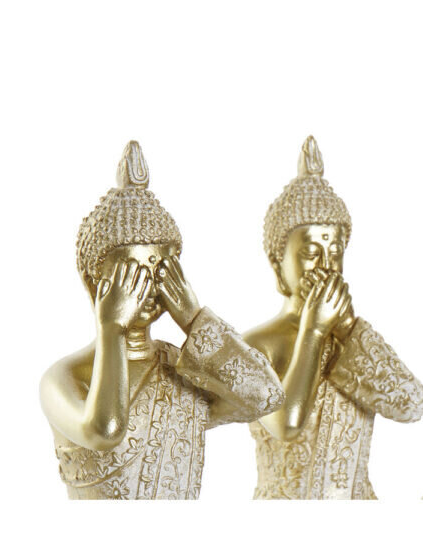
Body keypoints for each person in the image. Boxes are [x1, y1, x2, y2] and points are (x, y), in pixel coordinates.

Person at [40, 141, 284, 499]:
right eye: (132, 272)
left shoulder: (180, 371)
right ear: (94, 283)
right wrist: (111, 330)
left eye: (161, 271)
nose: (149, 287)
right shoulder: (63, 378)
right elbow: (104, 430)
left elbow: (266, 397)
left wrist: (195, 319)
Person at [246, 136, 423, 499]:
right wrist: (313, 331)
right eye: (311, 252)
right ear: (277, 264)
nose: (326, 265)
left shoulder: (352, 340)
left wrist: (347, 329)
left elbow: (412, 405)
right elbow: (287, 425)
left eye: (335, 251)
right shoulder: (255, 346)